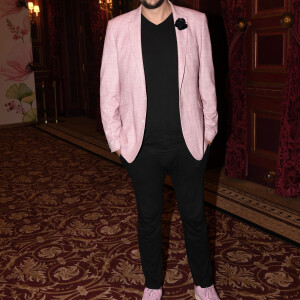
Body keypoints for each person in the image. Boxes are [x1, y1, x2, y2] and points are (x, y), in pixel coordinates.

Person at [100, 0, 220, 298]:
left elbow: (207, 80)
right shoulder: (117, 28)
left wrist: (209, 133)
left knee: (194, 217)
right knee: (149, 218)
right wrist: (119, 144)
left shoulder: (196, 21)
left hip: (189, 143)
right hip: (142, 148)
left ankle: (204, 284)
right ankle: (153, 283)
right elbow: (108, 91)